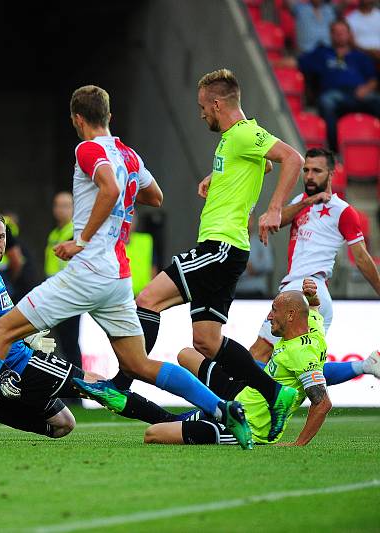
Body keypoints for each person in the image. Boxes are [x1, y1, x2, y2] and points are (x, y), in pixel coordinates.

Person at [0, 85, 255, 449]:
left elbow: (110, 187)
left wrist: (81, 239)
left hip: (88, 270)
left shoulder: (87, 148)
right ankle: (222, 407)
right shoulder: (129, 155)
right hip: (118, 277)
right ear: (110, 117)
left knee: (1, 331)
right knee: (138, 364)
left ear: (77, 119)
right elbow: (155, 196)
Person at [132, 68, 304, 443]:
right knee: (206, 342)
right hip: (227, 250)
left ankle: (123, 379)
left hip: (220, 246)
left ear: (217, 103)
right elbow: (267, 162)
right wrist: (219, 177)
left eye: (202, 107)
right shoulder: (232, 140)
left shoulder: (243, 133)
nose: (200, 114)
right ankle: (274, 395)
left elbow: (292, 158)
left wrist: (274, 208)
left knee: (147, 299)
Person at [0, 210, 183, 440]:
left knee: (62, 424)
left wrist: (26, 338)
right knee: (101, 387)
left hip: (1, 373)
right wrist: (2, 371)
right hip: (15, 368)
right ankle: (173, 422)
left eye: (1, 237)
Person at [144, 279, 331, 446]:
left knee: (153, 434)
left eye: (274, 310)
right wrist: (312, 297)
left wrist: (299, 444)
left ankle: (206, 416)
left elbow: (322, 403)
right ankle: (211, 410)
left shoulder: (303, 354)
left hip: (249, 425)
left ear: (291, 315)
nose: (269, 317)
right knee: (186, 355)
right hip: (240, 394)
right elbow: (313, 309)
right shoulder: (313, 325)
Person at [249, 147, 380, 362]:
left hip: (304, 287)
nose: (309, 176)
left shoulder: (342, 210)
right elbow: (275, 221)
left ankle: (233, 395)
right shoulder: (300, 201)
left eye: (317, 171)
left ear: (331, 173)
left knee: (259, 353)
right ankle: (363, 367)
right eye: (306, 170)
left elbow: (362, 258)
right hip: (312, 296)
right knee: (294, 367)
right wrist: (307, 202)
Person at [297, 21, 380, 150]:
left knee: (377, 100)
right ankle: (334, 148)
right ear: (330, 35)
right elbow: (297, 62)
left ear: (349, 34)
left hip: (359, 93)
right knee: (326, 102)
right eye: (336, 32)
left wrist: (366, 88)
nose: (339, 35)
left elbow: (373, 79)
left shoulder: (360, 56)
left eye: (343, 32)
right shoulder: (322, 53)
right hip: (334, 94)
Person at [44, 191, 81, 372]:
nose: (60, 210)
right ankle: (69, 386)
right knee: (62, 344)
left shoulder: (75, 231)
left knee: (71, 343)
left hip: (69, 292)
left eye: (66, 205)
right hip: (55, 291)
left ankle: (79, 389)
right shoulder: (55, 233)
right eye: (57, 205)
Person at [234, 216, 274, 299]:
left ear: (254, 220)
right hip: (237, 291)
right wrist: (253, 267)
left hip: (258, 291)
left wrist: (243, 264)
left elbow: (268, 265)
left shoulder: (262, 240)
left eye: (250, 218)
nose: (247, 221)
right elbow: (230, 268)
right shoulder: (233, 242)